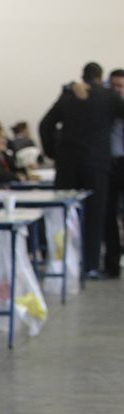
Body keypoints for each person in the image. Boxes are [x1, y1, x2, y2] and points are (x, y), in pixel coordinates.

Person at [39, 62, 124, 279]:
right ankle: (90, 265)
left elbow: (45, 125)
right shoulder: (109, 98)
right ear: (101, 78)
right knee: (96, 216)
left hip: (67, 165)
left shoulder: (68, 96)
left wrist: (53, 152)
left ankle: (60, 262)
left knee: (63, 214)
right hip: (97, 165)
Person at [103, 68, 124, 279]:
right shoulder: (103, 108)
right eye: (114, 86)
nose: (117, 90)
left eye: (121, 86)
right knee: (108, 216)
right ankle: (112, 264)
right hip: (109, 165)